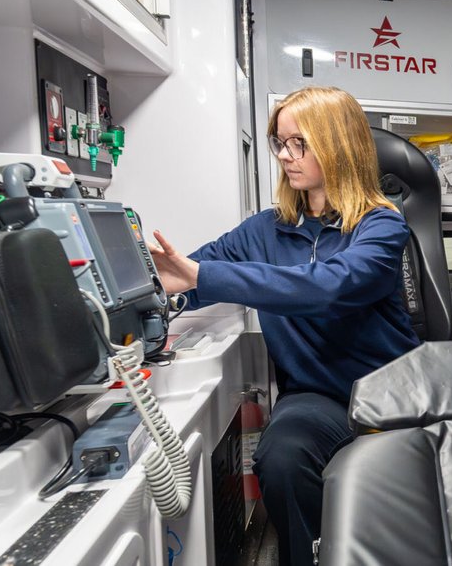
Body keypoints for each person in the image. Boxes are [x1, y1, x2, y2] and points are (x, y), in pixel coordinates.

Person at [147, 86, 418, 566]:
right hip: (315, 396)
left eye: (300, 144)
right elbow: (193, 277)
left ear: (337, 146)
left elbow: (328, 287)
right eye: (280, 143)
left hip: (387, 396)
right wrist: (156, 289)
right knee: (281, 457)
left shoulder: (382, 225)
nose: (286, 157)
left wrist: (202, 275)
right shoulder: (263, 230)